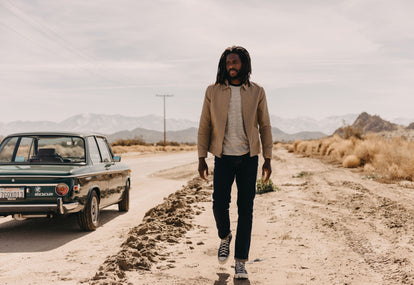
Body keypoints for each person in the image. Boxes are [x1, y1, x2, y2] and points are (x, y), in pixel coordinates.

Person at [197, 46, 273, 279]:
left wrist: (267, 159)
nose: (231, 66)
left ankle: (240, 261)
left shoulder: (257, 91)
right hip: (223, 158)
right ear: (223, 65)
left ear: (244, 64)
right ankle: (225, 236)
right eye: (228, 62)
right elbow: (204, 125)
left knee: (246, 210)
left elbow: (265, 126)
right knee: (219, 204)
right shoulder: (213, 91)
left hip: (249, 158)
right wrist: (201, 158)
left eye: (235, 62)